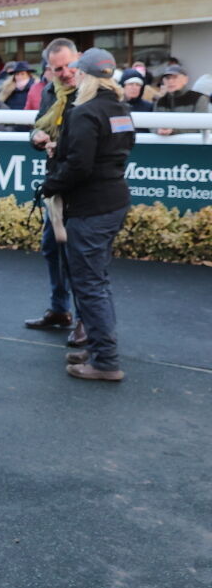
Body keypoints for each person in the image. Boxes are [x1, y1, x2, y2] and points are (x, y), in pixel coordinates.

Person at [40, 48, 134, 381]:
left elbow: (79, 166)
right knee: (98, 281)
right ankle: (97, 348)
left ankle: (105, 361)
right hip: (113, 201)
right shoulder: (121, 109)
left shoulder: (85, 112)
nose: (74, 76)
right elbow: (120, 149)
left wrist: (49, 185)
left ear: (88, 76)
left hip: (90, 208)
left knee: (90, 285)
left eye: (78, 71)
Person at [26, 38, 84, 343]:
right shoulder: (50, 92)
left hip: (84, 186)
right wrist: (37, 137)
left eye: (69, 65)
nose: (65, 73)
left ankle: (85, 318)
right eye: (58, 69)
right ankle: (60, 309)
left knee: (79, 255)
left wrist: (61, 147)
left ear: (80, 58)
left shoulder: (92, 91)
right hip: (56, 183)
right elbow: (39, 125)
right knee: (51, 247)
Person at [153, 64, 210, 134]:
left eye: (175, 77)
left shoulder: (199, 99)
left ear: (185, 80)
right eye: (167, 78)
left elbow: (201, 126)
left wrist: (174, 131)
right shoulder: (160, 101)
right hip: (163, 140)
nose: (170, 81)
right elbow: (152, 124)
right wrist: (157, 130)